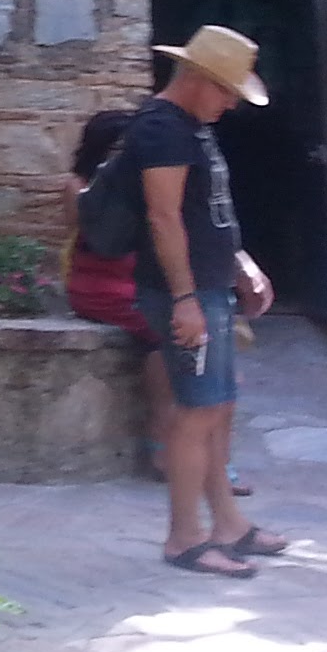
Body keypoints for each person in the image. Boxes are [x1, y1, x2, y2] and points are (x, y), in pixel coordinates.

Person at [123, 26, 288, 578]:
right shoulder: (161, 130)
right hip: (187, 292)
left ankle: (229, 526)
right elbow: (164, 217)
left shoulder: (193, 126)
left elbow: (206, 208)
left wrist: (240, 263)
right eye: (225, 90)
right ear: (195, 78)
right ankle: (184, 539)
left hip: (211, 285)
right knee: (198, 411)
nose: (232, 102)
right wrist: (184, 299)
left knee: (218, 406)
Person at [60, 109, 249, 498]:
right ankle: (170, 449)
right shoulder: (83, 185)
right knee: (170, 335)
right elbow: (95, 236)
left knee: (195, 346)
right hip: (103, 280)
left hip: (137, 278)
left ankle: (202, 458)